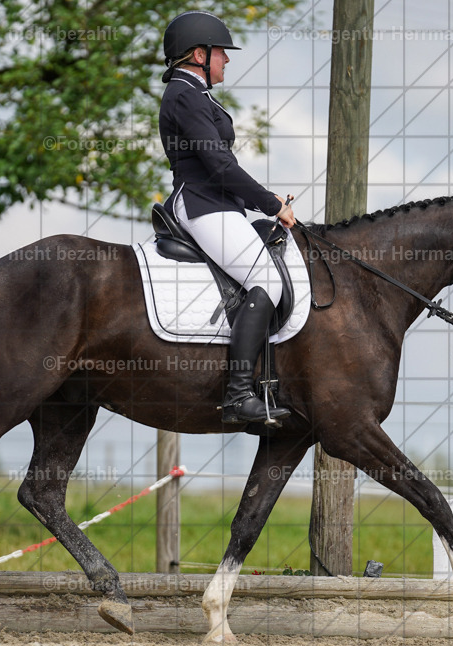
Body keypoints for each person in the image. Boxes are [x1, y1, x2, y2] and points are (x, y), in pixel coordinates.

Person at [159, 10, 296, 425]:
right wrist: (272, 203)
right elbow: (219, 166)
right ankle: (238, 396)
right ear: (199, 54)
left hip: (218, 203)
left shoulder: (195, 94)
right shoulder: (185, 95)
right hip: (203, 203)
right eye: (222, 53)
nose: (227, 60)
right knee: (267, 280)